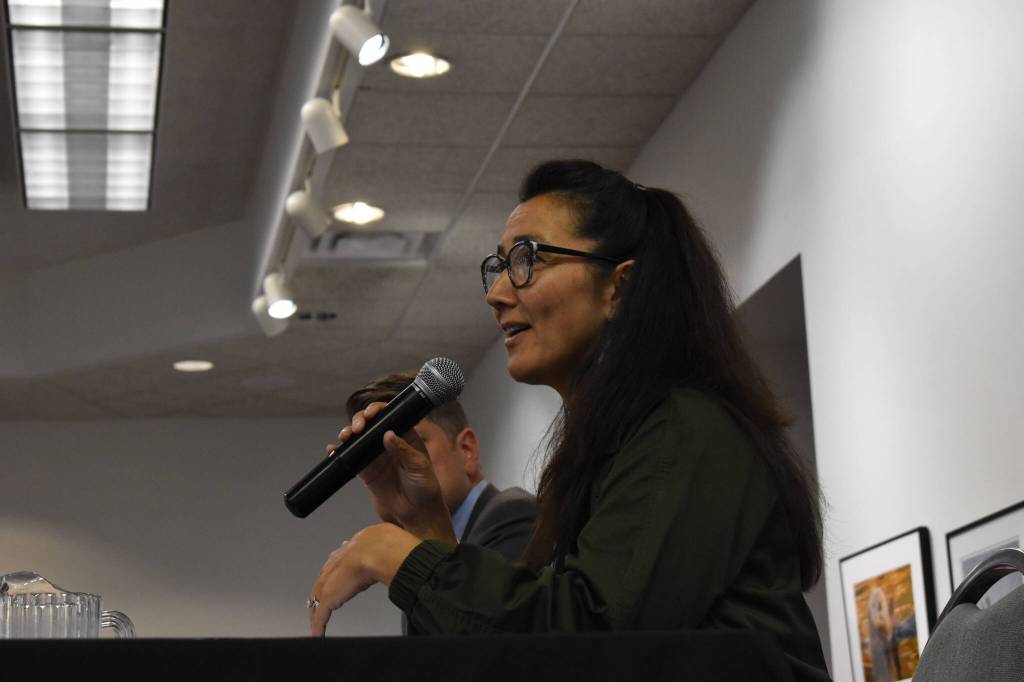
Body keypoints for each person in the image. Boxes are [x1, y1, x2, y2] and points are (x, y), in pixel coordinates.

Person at [308, 160, 830, 681]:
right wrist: (423, 527)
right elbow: (517, 657)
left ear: (618, 288)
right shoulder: (612, 442)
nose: (497, 293)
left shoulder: (683, 430)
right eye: (499, 266)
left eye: (527, 259)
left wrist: (401, 558)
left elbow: (592, 641)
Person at [342, 372, 537, 563]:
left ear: (466, 449)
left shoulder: (511, 515)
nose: (386, 468)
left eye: (408, 444)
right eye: (373, 455)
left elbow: (474, 594)